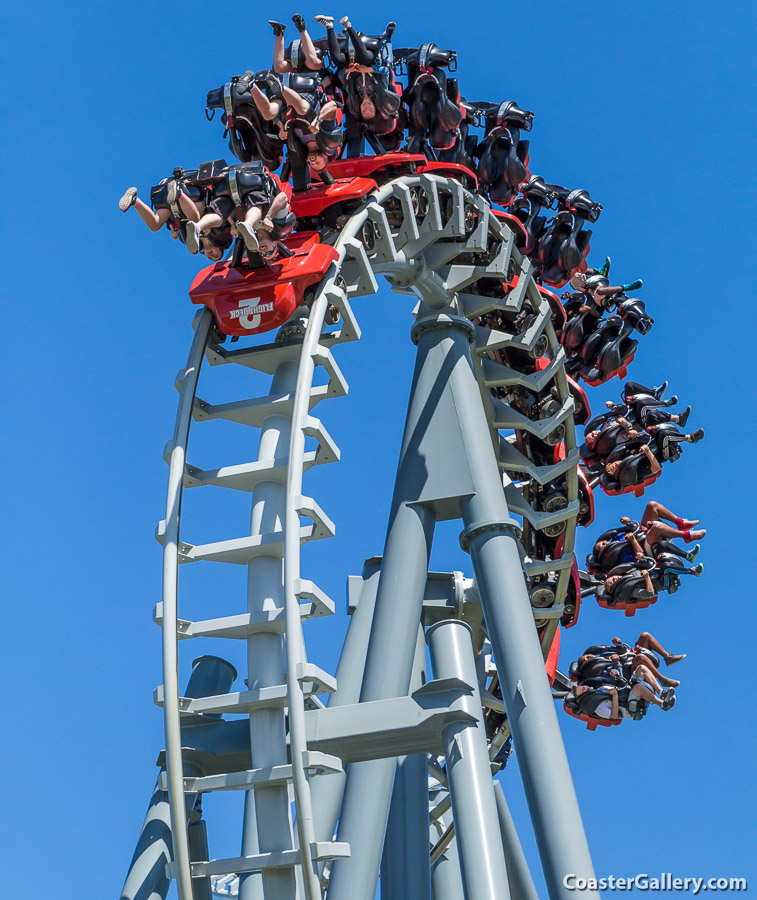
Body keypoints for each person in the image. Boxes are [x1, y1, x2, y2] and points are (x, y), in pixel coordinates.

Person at [184, 164, 291, 257]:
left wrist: (232, 224)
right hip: (251, 184)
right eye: (268, 253)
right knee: (257, 205)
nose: (263, 251)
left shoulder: (245, 235)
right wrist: (268, 217)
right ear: (275, 244)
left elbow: (228, 214)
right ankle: (248, 223)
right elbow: (283, 197)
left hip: (226, 190)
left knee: (220, 214)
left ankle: (198, 227)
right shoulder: (278, 229)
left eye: (261, 254)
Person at [119, 175, 205, 240]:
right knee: (196, 220)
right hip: (187, 194)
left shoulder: (173, 223)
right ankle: (179, 193)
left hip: (163, 197)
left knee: (155, 225)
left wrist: (174, 232)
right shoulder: (210, 209)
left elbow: (173, 233)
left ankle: (135, 200)